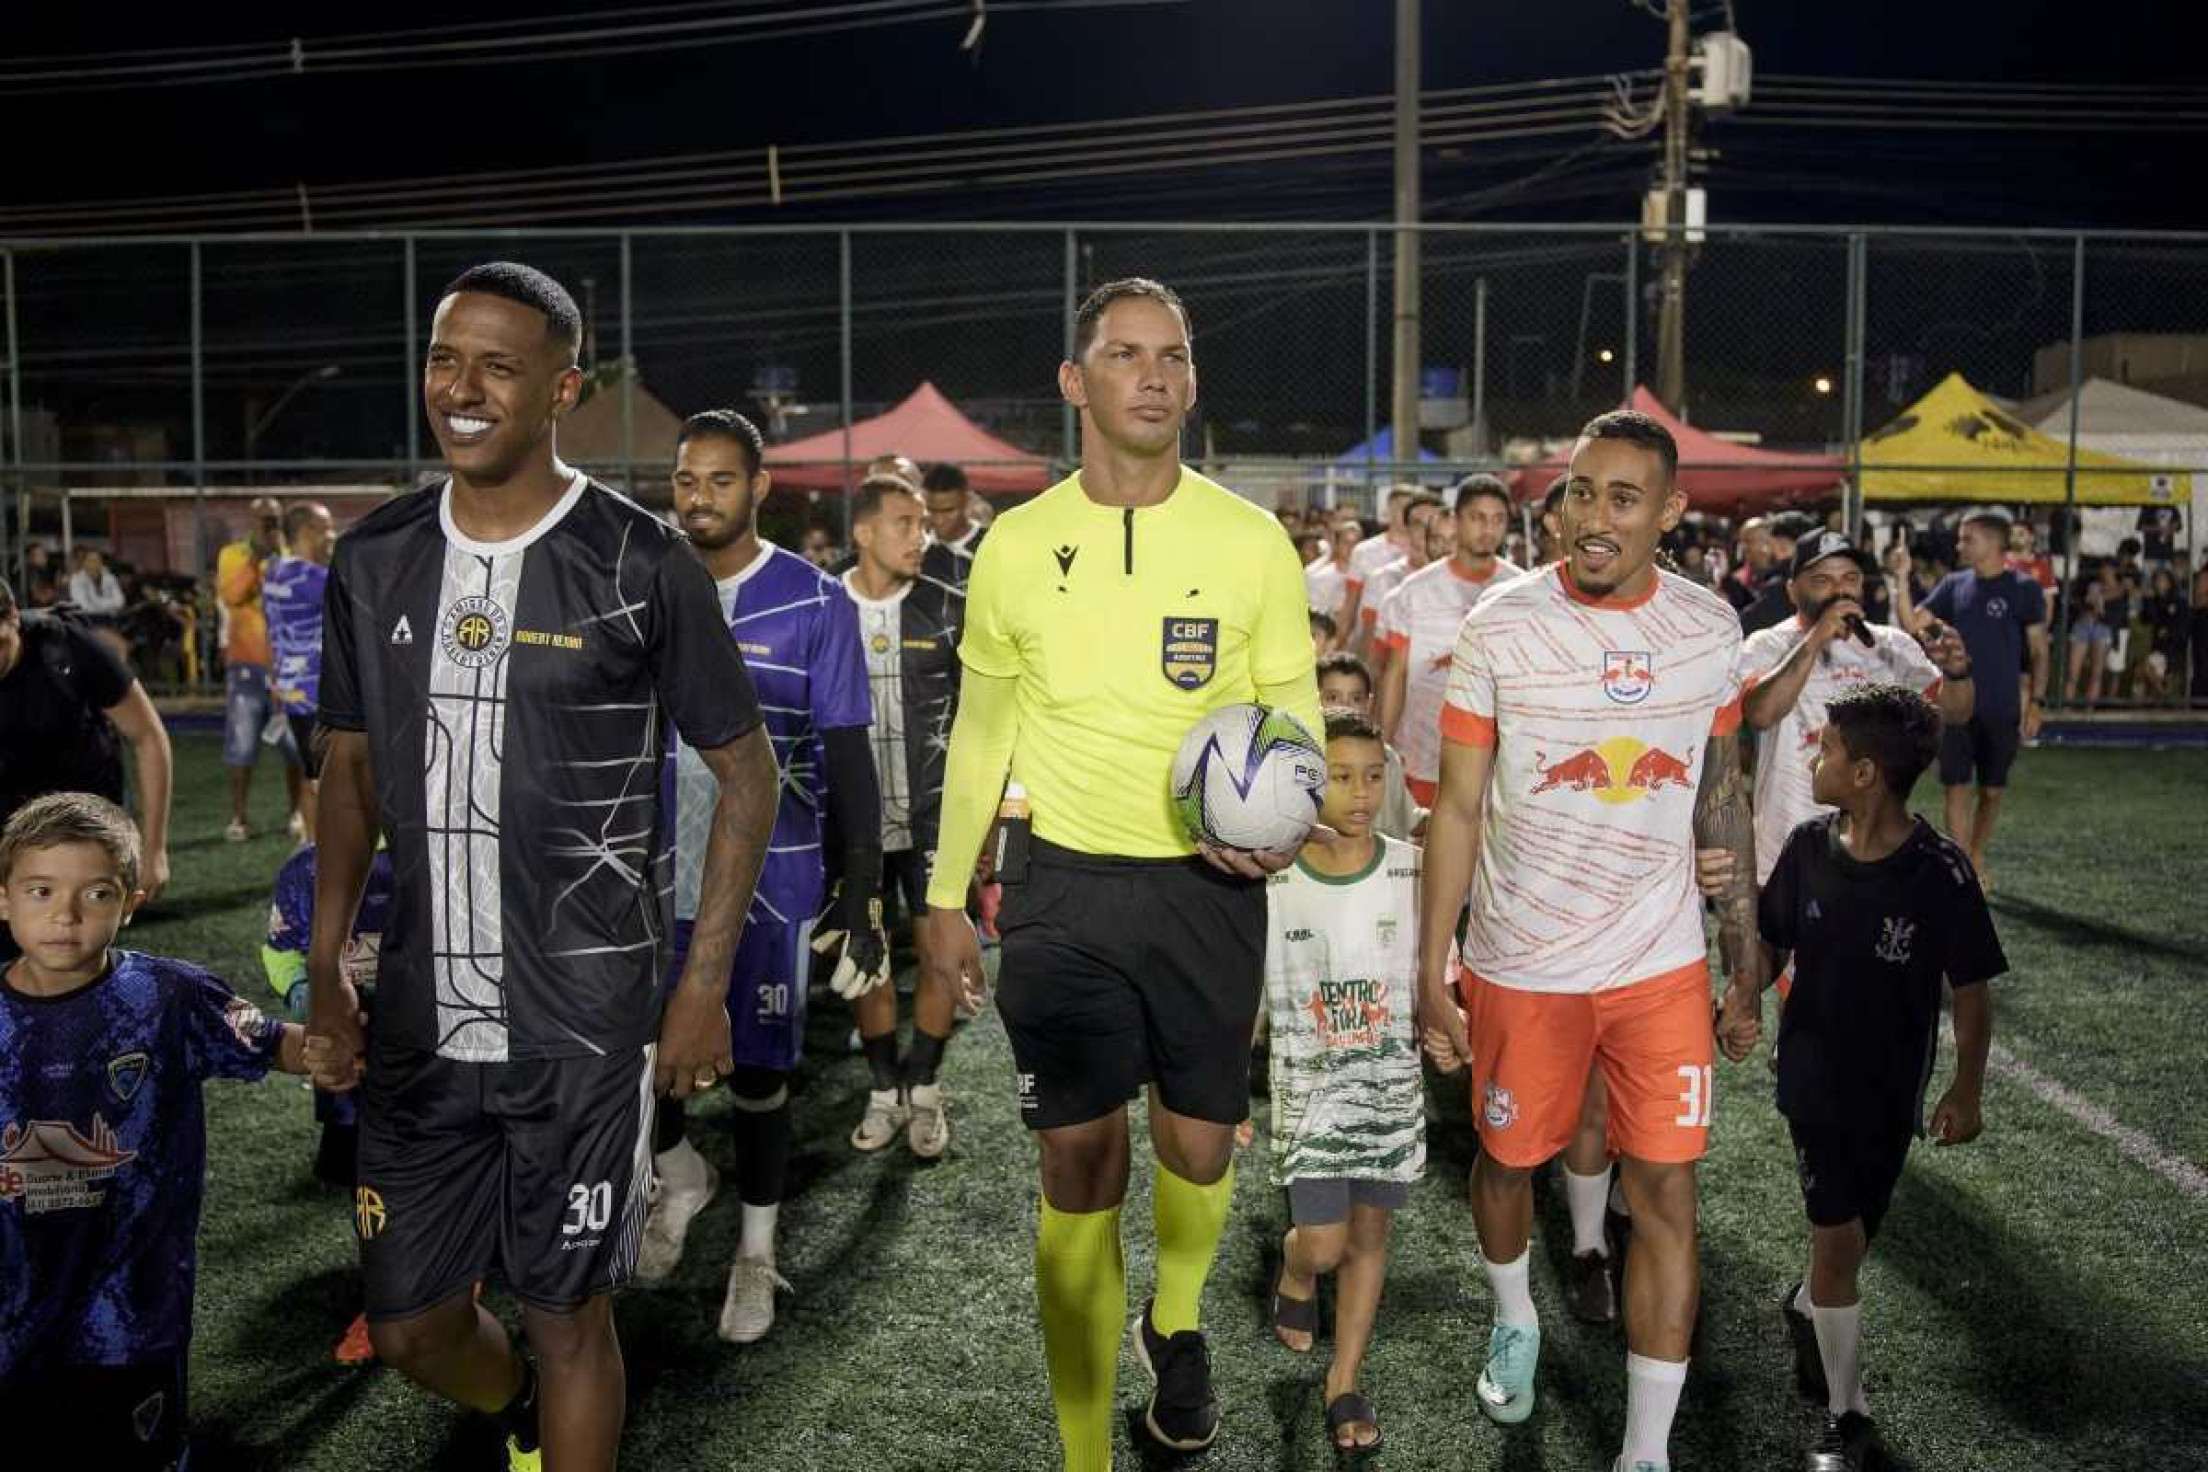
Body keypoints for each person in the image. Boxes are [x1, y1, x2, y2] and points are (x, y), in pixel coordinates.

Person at [303, 261, 778, 1472]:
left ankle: (556, 1416)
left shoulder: (638, 559)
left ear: (563, 387)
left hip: (581, 1017)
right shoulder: (374, 558)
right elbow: (348, 771)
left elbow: (747, 773)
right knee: (409, 1323)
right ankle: (515, 1414)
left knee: (569, 1311)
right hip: (417, 1016)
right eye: (444, 359)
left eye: (497, 366)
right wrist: (327, 962)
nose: (461, 389)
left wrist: (700, 985)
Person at [915, 277, 1322, 1469]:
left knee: (1199, 1152)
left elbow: (1290, 712)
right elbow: (981, 732)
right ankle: (1087, 1452)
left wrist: (1282, 820)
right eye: (1127, 353)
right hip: (1063, 891)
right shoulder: (1017, 545)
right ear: (1075, 380)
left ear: (1192, 380)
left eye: (1175, 356)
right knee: (1079, 1166)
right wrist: (948, 894)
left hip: (1211, 891)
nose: (1155, 374)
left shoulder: (1250, 541)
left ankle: (1176, 1315)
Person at [1416, 409, 1763, 1472]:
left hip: (1660, 964)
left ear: (1669, 511)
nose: (1594, 517)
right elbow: (1460, 808)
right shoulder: (1501, 629)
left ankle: (1645, 1449)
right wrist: (1434, 965)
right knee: (1506, 1162)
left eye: (1622, 497)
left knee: (1665, 1192)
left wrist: (1744, 953)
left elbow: (1725, 794)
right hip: (1523, 963)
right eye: (1579, 491)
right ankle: (1515, 1307)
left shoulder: (1711, 631)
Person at [640, 409, 884, 1341]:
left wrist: (860, 892)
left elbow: (848, 755)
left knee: (761, 1073)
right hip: (654, 874)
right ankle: (680, 1175)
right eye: (687, 481)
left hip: (773, 881)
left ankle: (755, 1252)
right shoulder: (646, 586)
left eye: (720, 482)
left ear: (759, 489)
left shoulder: (817, 602)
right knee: (643, 1056)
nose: (699, 499)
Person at [0, 792, 313, 1469]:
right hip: (12, 1314)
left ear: (132, 901)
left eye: (97, 893)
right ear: (3, 900)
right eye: (41, 890)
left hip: (132, 1314)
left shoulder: (168, 997)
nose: (66, 914)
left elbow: (273, 1042)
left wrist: (334, 1047)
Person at [1754, 686, 2003, 1472]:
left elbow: (1971, 987)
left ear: (1863, 773)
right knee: (1836, 1243)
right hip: (1812, 1080)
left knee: (1852, 1244)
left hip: (1893, 1088)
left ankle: (1810, 1306)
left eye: (1824, 748)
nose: (1813, 759)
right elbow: (1769, 944)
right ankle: (1846, 1415)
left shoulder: (1938, 872)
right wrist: (1735, 1001)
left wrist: (1965, 1087)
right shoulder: (1804, 847)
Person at [1261, 712, 1422, 1455]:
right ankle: (1296, 1272)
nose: (1360, 794)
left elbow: (1437, 966)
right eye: (1341, 777)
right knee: (1323, 1245)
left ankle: (1344, 1378)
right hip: (1311, 1093)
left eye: (1373, 777)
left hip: (1390, 1091)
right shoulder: (1274, 877)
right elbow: (1243, 992)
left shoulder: (1411, 868)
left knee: (1370, 1233)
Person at [1740, 529, 1976, 919]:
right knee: (1790, 973)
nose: (1840, 591)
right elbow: (1760, 713)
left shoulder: (1893, 645)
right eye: (1823, 580)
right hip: (1785, 843)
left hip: (1876, 849)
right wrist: (1816, 638)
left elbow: (1956, 711)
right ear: (1792, 590)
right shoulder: (1766, 645)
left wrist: (1957, 673)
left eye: (1850, 579)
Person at [839, 475, 965, 1159]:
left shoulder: (949, 608)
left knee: (941, 954)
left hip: (935, 823)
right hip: (853, 828)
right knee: (869, 959)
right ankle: (884, 1087)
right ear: (863, 532)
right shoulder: (825, 605)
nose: (920, 535)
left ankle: (925, 1085)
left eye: (923, 523)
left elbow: (980, 717)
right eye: (903, 523)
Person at [262, 836, 398, 1364]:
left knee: (453, 1164)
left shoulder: (441, 842)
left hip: (439, 1057)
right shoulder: (307, 866)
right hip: (354, 1070)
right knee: (367, 1183)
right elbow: (280, 950)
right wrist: (305, 995)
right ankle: (384, 1297)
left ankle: (459, 1273)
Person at [0, 577, 174, 941]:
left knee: (76, 941)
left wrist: (153, 848)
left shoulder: (67, 647)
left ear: (13, 618)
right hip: (10, 807)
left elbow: (147, 736)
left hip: (82, 804)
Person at [1920, 509, 2049, 889]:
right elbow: (1918, 621)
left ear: (1994, 543)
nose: (1960, 545)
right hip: (1957, 706)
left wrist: (2037, 700)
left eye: (1967, 538)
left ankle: (1975, 851)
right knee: (1955, 785)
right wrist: (1934, 632)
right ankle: (1962, 866)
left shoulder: (2024, 589)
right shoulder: (1953, 584)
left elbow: (2039, 651)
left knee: (1992, 790)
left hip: (2002, 706)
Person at [1376, 474, 1519, 808]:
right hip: (1421, 751)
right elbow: (1395, 673)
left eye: (1498, 519)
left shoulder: (1520, 590)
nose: (1488, 529)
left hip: (1492, 758)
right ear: (1456, 520)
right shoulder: (1414, 591)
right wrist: (1383, 743)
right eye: (1477, 517)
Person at [216, 497, 306, 844]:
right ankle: (239, 817)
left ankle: (296, 812)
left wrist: (277, 553)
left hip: (289, 665)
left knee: (295, 745)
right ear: (250, 520)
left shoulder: (291, 555)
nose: (268, 524)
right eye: (262, 519)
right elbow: (233, 595)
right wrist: (257, 555)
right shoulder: (233, 555)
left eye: (273, 519)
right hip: (247, 664)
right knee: (242, 741)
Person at [263, 501, 336, 843]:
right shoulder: (316, 579)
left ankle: (312, 849)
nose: (332, 536)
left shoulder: (275, 572)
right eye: (327, 529)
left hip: (292, 692)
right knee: (332, 782)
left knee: (314, 777)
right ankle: (331, 856)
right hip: (319, 693)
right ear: (308, 532)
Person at [1317, 652, 1422, 842]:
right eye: (1333, 698)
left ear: (1369, 703)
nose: (1345, 707)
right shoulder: (1301, 758)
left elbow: (1410, 818)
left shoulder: (1387, 757)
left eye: (1356, 699)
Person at [1351, 493, 1443, 661]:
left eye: (1432, 523)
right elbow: (1369, 642)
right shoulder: (1382, 579)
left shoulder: (1457, 578)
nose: (1425, 531)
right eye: (1418, 524)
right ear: (1407, 529)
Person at [1740, 512, 1819, 635]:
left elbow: (1746, 625)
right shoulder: (1826, 578)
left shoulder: (1780, 586)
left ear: (1782, 545)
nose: (1766, 549)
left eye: (1769, 543)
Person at [921, 461, 987, 584]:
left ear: (967, 501)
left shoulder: (991, 545)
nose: (938, 520)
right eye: (931, 510)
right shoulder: (916, 550)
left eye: (948, 511)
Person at [2139, 567, 2186, 705]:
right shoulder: (2154, 601)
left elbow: (2180, 624)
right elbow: (2148, 618)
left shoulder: (2178, 602)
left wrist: (2170, 632)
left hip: (2170, 647)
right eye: (2156, 580)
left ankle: (2165, 694)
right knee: (2149, 673)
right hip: (2157, 646)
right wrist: (2148, 600)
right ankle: (2163, 696)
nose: (2158, 583)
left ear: (2169, 583)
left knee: (2146, 667)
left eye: (2162, 580)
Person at [66, 549, 127, 617]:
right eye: (90, 561)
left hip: (110, 619)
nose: (93, 564)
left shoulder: (110, 577)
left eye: (96, 561)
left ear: (101, 563)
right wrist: (110, 605)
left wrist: (96, 603)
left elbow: (120, 601)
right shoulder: (77, 579)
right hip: (86, 621)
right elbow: (84, 606)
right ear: (84, 563)